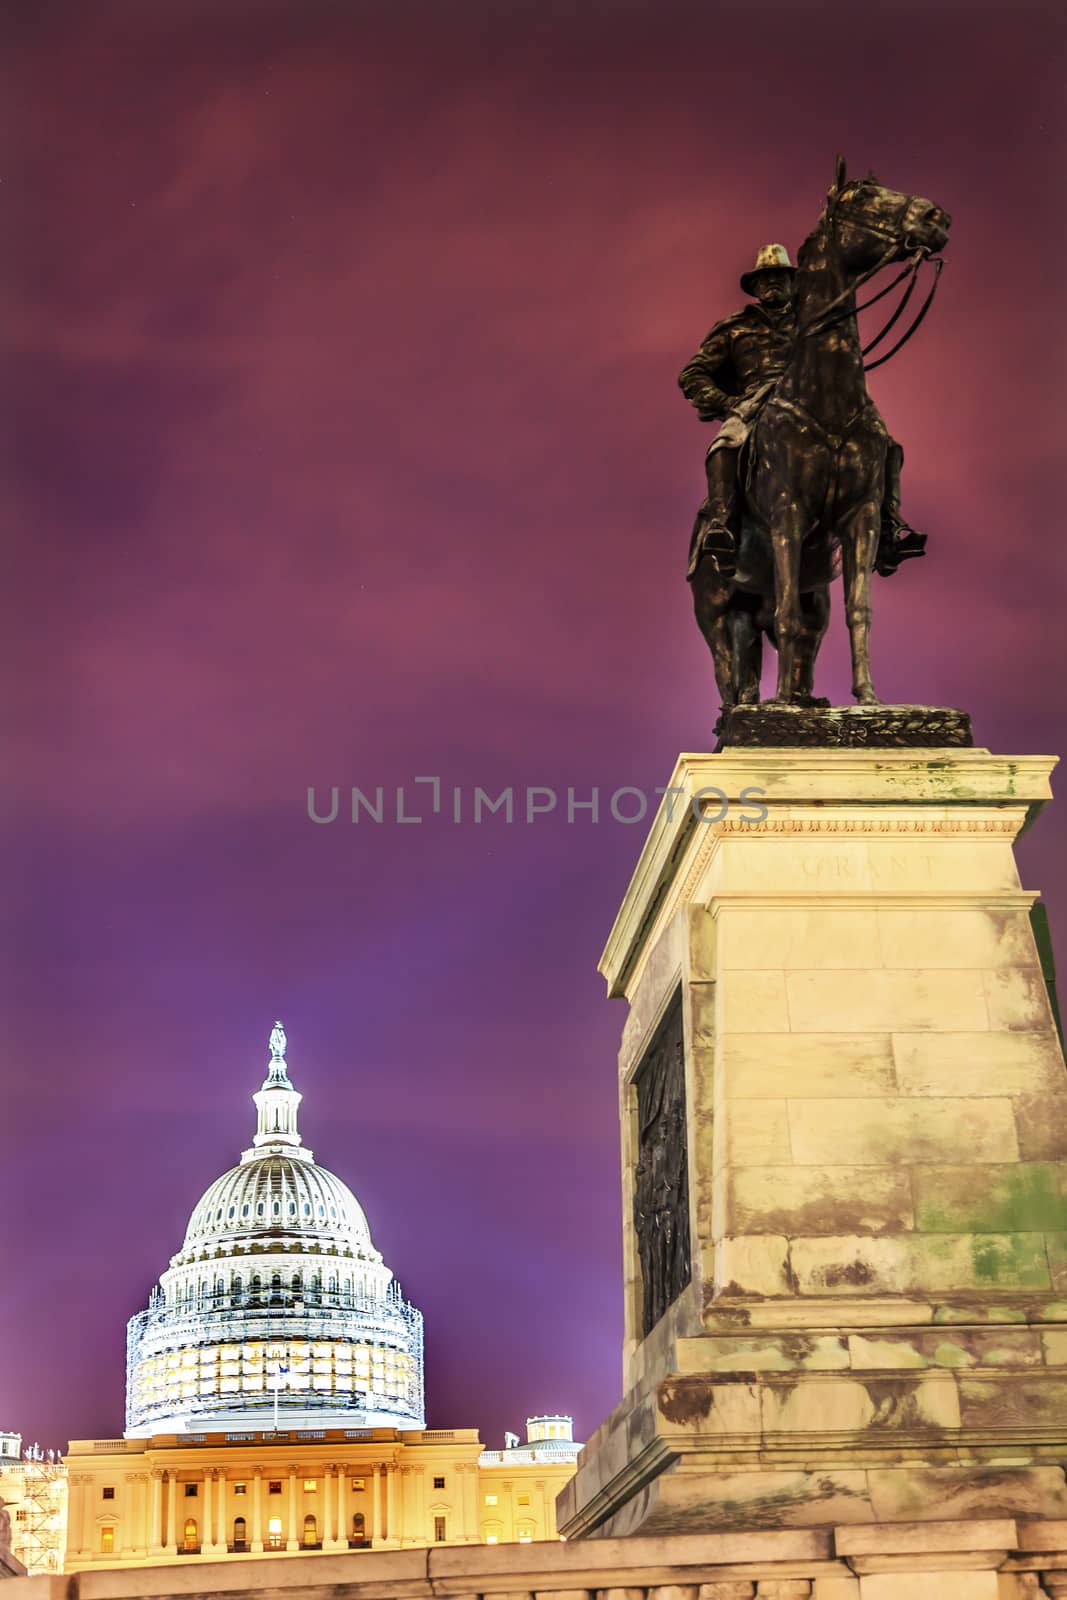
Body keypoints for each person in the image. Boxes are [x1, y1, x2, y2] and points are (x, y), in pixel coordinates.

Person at [679, 243, 924, 582]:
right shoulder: (733, 328)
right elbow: (693, 374)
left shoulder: (812, 323)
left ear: (792, 281)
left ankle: (890, 527)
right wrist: (726, 402)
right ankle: (723, 524)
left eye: (779, 276)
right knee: (726, 442)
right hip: (757, 400)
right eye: (765, 278)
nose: (772, 283)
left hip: (812, 400)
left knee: (884, 442)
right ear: (755, 286)